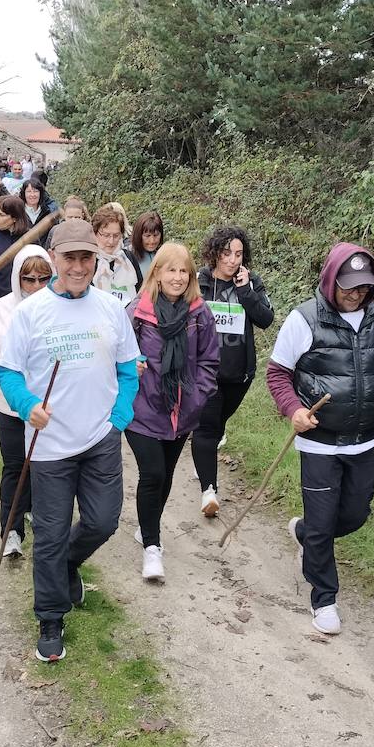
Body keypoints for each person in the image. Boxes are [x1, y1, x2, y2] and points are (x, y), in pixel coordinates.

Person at [0, 220, 141, 662]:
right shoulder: (31, 312)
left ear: (96, 260)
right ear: (54, 258)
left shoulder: (111, 309)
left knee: (102, 522)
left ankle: (67, 567)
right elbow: (8, 372)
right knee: (52, 533)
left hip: (100, 438)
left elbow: (128, 369)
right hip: (49, 445)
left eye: (86, 258)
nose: (78, 267)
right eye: (70, 258)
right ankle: (50, 617)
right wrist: (27, 406)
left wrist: (119, 417)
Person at [266, 243, 374, 635]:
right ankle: (324, 598)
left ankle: (305, 535)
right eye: (348, 287)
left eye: (363, 287)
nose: (355, 294)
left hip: (363, 441)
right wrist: (294, 409)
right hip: (320, 443)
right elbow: (278, 374)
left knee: (356, 515)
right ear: (330, 281)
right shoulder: (304, 319)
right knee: (325, 522)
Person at [125, 244, 219, 582]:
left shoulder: (199, 313)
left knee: (164, 475)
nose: (177, 278)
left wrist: (197, 396)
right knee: (152, 473)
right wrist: (129, 375)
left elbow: (209, 360)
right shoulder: (137, 312)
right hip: (142, 408)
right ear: (157, 273)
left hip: (182, 410)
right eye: (171, 270)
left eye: (184, 271)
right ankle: (153, 547)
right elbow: (119, 354)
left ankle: (146, 525)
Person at [0, 245, 56, 559]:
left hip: (50, 406)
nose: (36, 287)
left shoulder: (61, 307)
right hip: (10, 405)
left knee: (46, 468)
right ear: (18, 278)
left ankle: (45, 530)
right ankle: (12, 531)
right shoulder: (3, 309)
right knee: (15, 468)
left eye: (43, 279)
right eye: (29, 279)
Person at [192, 226, 274, 517]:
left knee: (217, 425)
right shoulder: (199, 281)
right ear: (215, 253)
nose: (232, 260)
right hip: (206, 371)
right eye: (227, 253)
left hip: (239, 374)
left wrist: (245, 292)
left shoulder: (252, 283)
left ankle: (206, 453)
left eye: (238, 254)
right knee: (207, 428)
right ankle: (208, 491)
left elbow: (266, 319)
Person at [90, 204, 141, 307]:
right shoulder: (89, 259)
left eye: (116, 235)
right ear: (95, 233)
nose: (111, 241)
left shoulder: (129, 258)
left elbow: (140, 288)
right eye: (106, 235)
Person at [129, 210, 164, 280]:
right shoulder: (128, 256)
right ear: (138, 235)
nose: (152, 241)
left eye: (156, 235)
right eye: (147, 236)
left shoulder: (164, 254)